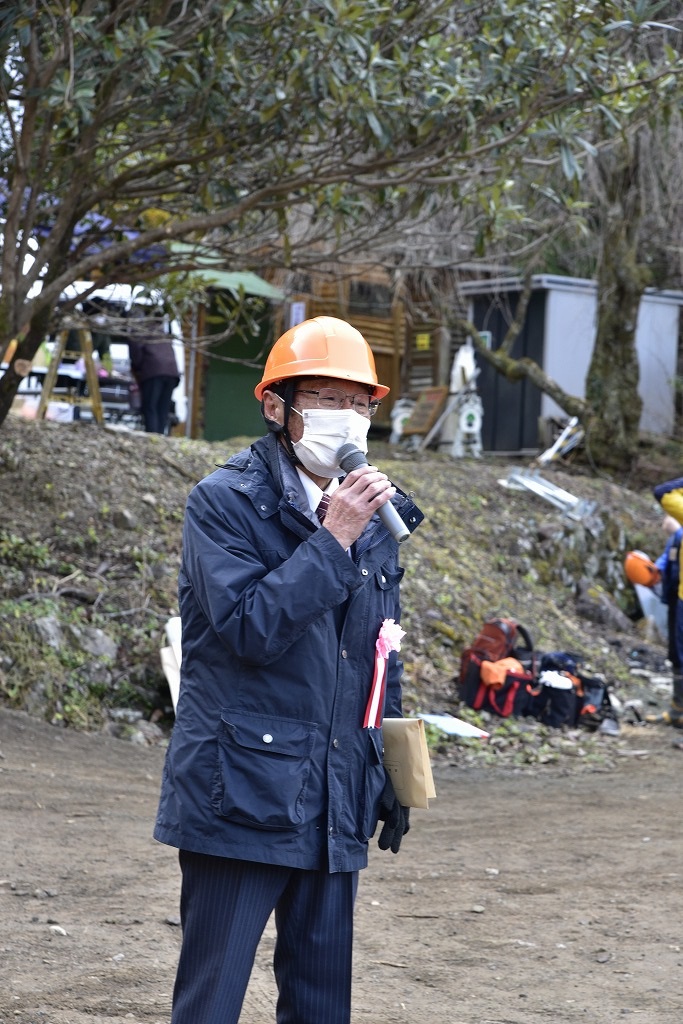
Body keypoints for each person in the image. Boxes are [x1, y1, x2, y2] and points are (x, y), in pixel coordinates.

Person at [153, 315, 424, 1024]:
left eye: (360, 403)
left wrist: (390, 771)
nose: (348, 418)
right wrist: (332, 538)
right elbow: (248, 629)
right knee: (211, 1000)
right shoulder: (224, 503)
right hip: (240, 793)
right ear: (276, 407)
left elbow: (379, 653)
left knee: (319, 1003)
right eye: (328, 400)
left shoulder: (376, 519)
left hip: (337, 791)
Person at [646, 480, 683, 728]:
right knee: (676, 655)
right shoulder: (677, 537)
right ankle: (678, 710)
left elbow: (661, 490)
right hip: (677, 594)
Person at [126, 307, 180, 434]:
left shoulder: (140, 331)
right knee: (163, 407)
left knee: (150, 406)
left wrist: (137, 368)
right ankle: (160, 437)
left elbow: (136, 353)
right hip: (172, 373)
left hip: (154, 372)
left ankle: (152, 436)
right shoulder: (162, 332)